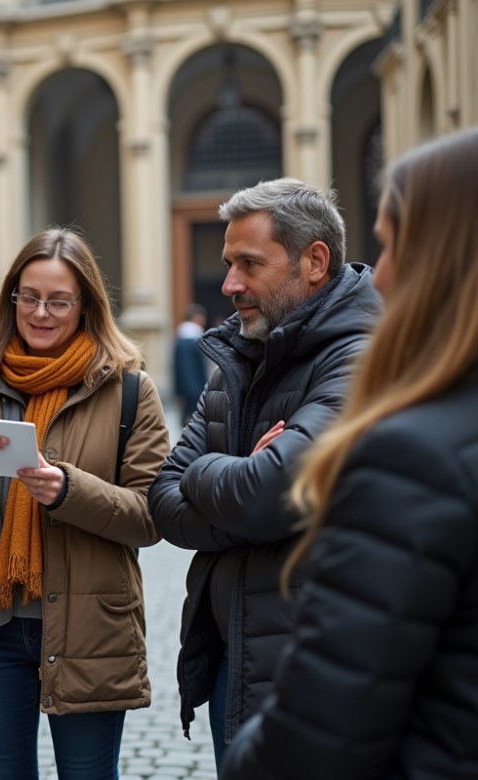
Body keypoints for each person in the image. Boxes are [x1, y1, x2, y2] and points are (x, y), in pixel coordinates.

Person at [220, 127, 478, 780]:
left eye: (390, 243)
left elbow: (316, 734)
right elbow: (170, 493)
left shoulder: (413, 453)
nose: (379, 273)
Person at [0, 227, 171, 780]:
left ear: (85, 306)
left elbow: (151, 516)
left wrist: (69, 491)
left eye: (58, 301)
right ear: (12, 299)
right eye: (29, 297)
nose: (41, 313)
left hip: (89, 629)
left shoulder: (128, 389)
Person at [148, 179, 383, 768]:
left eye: (249, 264)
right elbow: (162, 499)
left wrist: (209, 472)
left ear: (315, 261)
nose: (229, 284)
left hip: (318, 670)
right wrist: (246, 486)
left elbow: (268, 490)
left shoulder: (360, 354)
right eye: (229, 264)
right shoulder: (237, 355)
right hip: (237, 655)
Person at [173, 303, 210, 416]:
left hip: (191, 392)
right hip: (194, 393)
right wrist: (196, 394)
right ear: (197, 318)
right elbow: (187, 370)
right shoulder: (189, 340)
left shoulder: (184, 339)